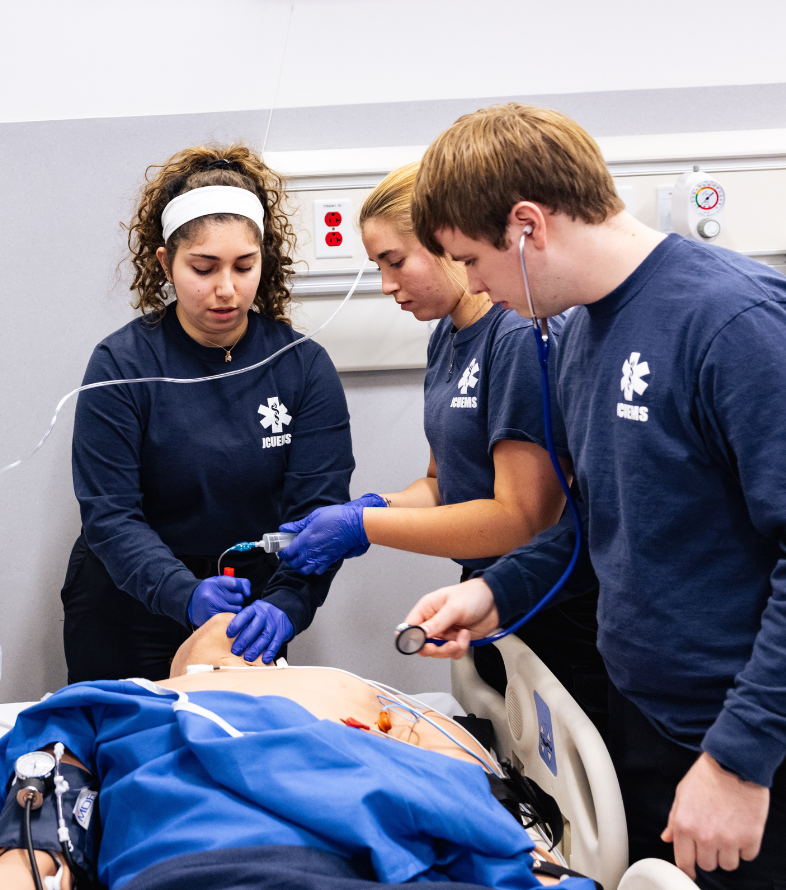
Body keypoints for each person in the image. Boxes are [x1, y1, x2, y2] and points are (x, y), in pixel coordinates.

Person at [399, 102, 786, 888]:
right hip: (647, 721)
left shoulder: (733, 325)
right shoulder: (575, 335)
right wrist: (499, 593)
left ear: (527, 226)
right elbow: (591, 520)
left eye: (472, 259)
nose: (469, 285)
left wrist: (740, 764)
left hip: (748, 744)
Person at [277, 163, 609, 738]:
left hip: (553, 610)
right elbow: (441, 484)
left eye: (394, 261)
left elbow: (520, 521)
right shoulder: (450, 336)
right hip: (490, 602)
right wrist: (365, 507)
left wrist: (368, 529)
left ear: (447, 243)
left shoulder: (517, 337)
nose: (385, 285)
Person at [0, 614, 597, 890]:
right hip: (206, 861)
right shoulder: (133, 700)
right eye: (226, 629)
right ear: (185, 662)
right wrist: (28, 867)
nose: (247, 637)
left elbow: (467, 778)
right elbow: (44, 776)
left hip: (383, 862)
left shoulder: (347, 692)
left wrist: (527, 862)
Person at [60, 145, 354, 684]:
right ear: (164, 263)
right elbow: (110, 513)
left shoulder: (303, 369)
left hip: (247, 615)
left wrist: (288, 604)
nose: (227, 289)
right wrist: (182, 593)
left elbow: (318, 514)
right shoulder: (122, 364)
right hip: (127, 610)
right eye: (204, 267)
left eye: (245, 266)